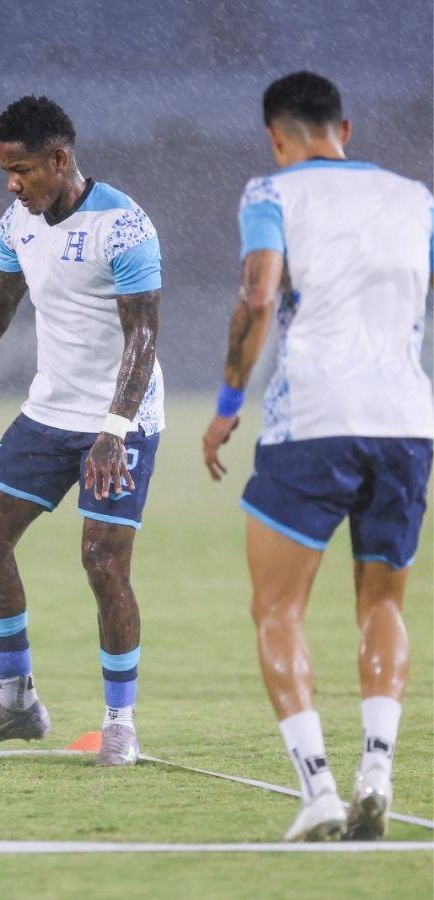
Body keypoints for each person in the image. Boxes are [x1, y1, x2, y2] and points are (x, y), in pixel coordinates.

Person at [202, 72, 433, 841]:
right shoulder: (416, 197)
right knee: (383, 605)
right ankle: (378, 770)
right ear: (347, 127)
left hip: (315, 419)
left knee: (277, 608)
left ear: (277, 135)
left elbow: (260, 294)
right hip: (406, 420)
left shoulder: (271, 193)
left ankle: (320, 791)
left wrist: (229, 405)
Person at [0, 96, 164, 767]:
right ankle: (17, 704)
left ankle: (120, 723)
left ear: (60, 159)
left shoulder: (125, 227)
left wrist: (114, 428)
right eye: (5, 172)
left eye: (22, 170)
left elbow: (144, 338)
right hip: (50, 412)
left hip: (120, 418)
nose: (13, 184)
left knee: (102, 562)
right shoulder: (18, 222)